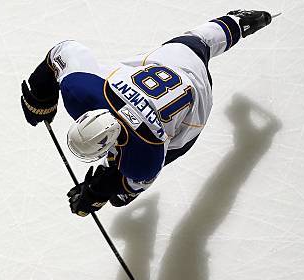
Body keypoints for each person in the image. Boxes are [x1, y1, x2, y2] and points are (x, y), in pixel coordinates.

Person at [21, 10, 276, 217]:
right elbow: (64, 50)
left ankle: (237, 23)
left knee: (129, 185)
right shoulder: (81, 92)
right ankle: (238, 21)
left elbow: (127, 189)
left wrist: (41, 96)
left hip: (196, 103)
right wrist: (99, 192)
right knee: (199, 42)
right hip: (174, 62)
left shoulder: (147, 156)